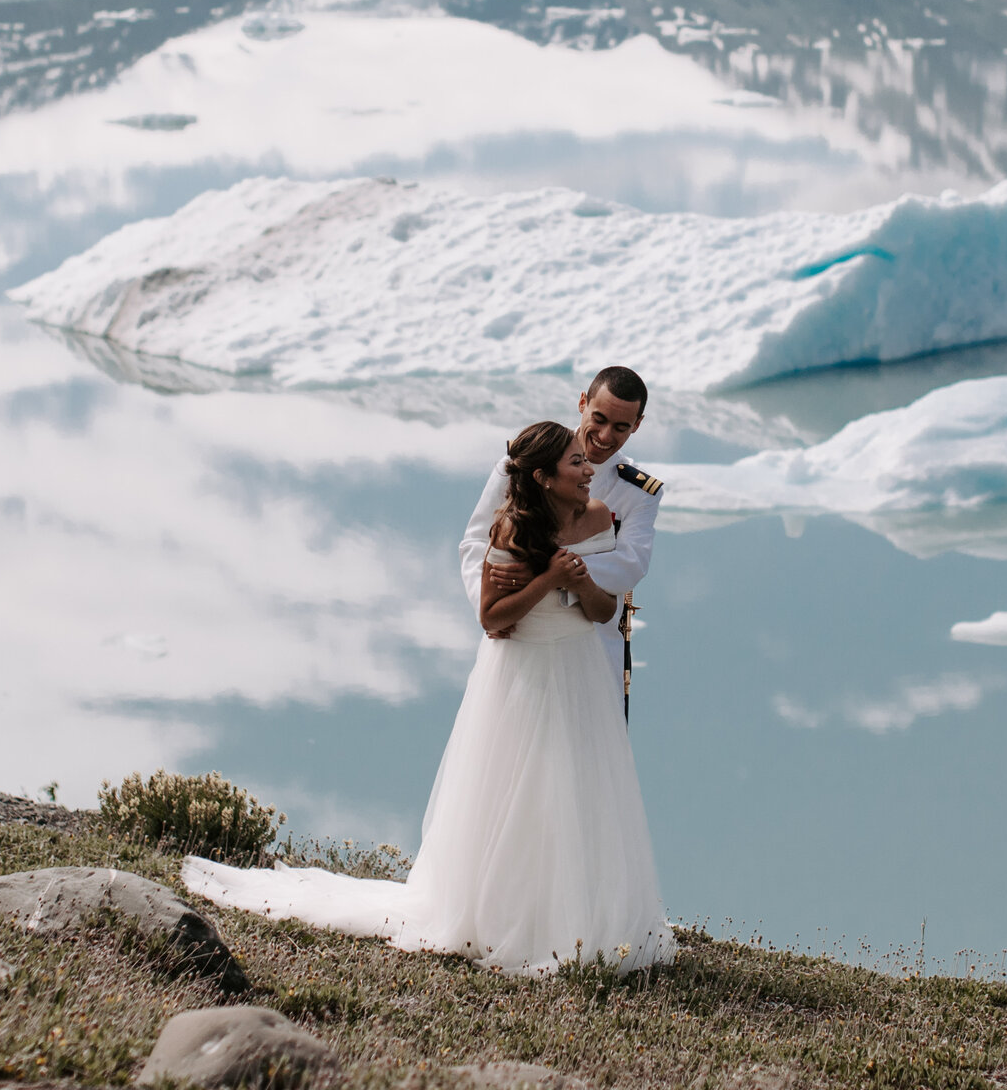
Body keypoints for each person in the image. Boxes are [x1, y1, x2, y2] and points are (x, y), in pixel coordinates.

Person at [185, 416, 675, 976]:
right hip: (521, 672)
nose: (590, 468)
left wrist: (583, 581)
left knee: (578, 791)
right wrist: (547, 580)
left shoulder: (596, 517)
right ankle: (502, 916)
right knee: (513, 790)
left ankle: (584, 919)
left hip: (580, 668)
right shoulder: (513, 529)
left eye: (587, 461)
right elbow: (493, 619)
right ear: (543, 477)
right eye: (576, 463)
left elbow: (604, 609)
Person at [457, 366, 661, 700]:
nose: (606, 435)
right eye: (599, 419)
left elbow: (630, 564)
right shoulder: (524, 458)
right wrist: (490, 605)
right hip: (518, 634)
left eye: (621, 427)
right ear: (582, 402)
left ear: (637, 425)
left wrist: (545, 570)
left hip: (593, 644)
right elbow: (477, 539)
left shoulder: (638, 491)